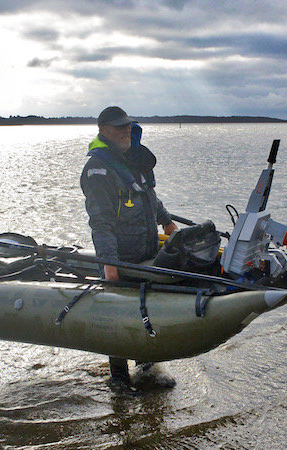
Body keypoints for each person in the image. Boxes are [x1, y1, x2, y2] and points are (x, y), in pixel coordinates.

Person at [80, 106, 178, 393]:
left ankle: (147, 371)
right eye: (118, 127)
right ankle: (119, 379)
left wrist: (168, 223)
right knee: (117, 317)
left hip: (146, 252)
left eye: (127, 126)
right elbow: (101, 222)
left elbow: (150, 199)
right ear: (103, 130)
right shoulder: (98, 170)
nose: (125, 130)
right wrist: (109, 264)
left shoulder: (132, 161)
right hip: (119, 257)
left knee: (143, 307)